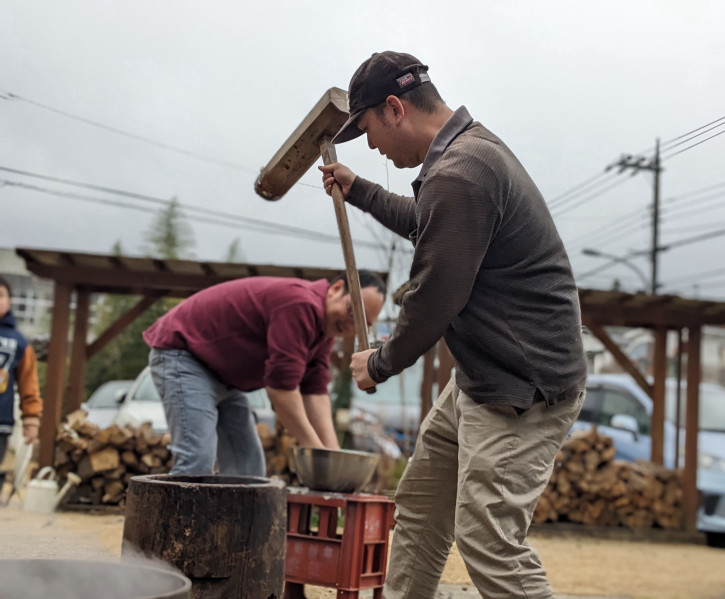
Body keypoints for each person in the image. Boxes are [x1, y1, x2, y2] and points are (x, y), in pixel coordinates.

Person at [319, 51, 587, 599]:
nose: (370, 146)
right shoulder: (465, 155)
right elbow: (430, 225)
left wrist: (381, 362)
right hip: (482, 377)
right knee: (420, 509)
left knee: (488, 539)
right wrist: (360, 188)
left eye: (367, 130)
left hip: (522, 388)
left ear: (394, 108)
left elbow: (437, 294)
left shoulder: (462, 172)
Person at [142, 271, 385, 476]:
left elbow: (315, 393)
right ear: (336, 289)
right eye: (351, 312)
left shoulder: (324, 332)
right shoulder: (300, 305)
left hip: (223, 376)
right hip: (185, 354)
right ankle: (177, 533)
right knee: (197, 460)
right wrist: (315, 451)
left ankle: (232, 532)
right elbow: (281, 391)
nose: (350, 326)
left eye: (363, 324)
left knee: (247, 468)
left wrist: (334, 459)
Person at [0, 276, 42, 488]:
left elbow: (29, 383)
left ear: (9, 301)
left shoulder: (19, 341)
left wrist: (31, 419)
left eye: (0, 295)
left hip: (2, 420)